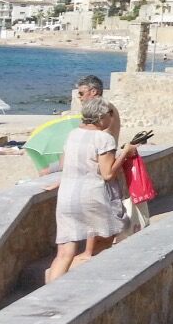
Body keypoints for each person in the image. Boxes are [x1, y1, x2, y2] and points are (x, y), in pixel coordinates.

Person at [47, 98, 134, 282]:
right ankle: (92, 282)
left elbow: (65, 165)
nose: (112, 119)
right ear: (101, 117)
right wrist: (126, 152)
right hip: (93, 197)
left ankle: (50, 295)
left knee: (63, 253)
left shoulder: (72, 135)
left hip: (67, 196)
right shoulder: (104, 138)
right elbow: (108, 174)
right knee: (108, 236)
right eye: (110, 115)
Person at [75, 75, 120, 142]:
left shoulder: (103, 109)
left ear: (93, 92)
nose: (79, 97)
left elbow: (101, 137)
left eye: (81, 93)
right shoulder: (103, 107)